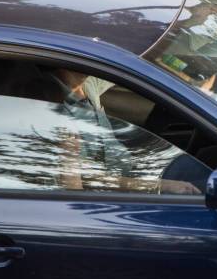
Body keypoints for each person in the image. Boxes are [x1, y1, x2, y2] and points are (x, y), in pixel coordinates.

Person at [42, 67, 202, 194]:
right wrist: (159, 186)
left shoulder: (86, 84)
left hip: (139, 170)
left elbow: (132, 62)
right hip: (124, 192)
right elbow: (89, 180)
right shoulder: (53, 106)